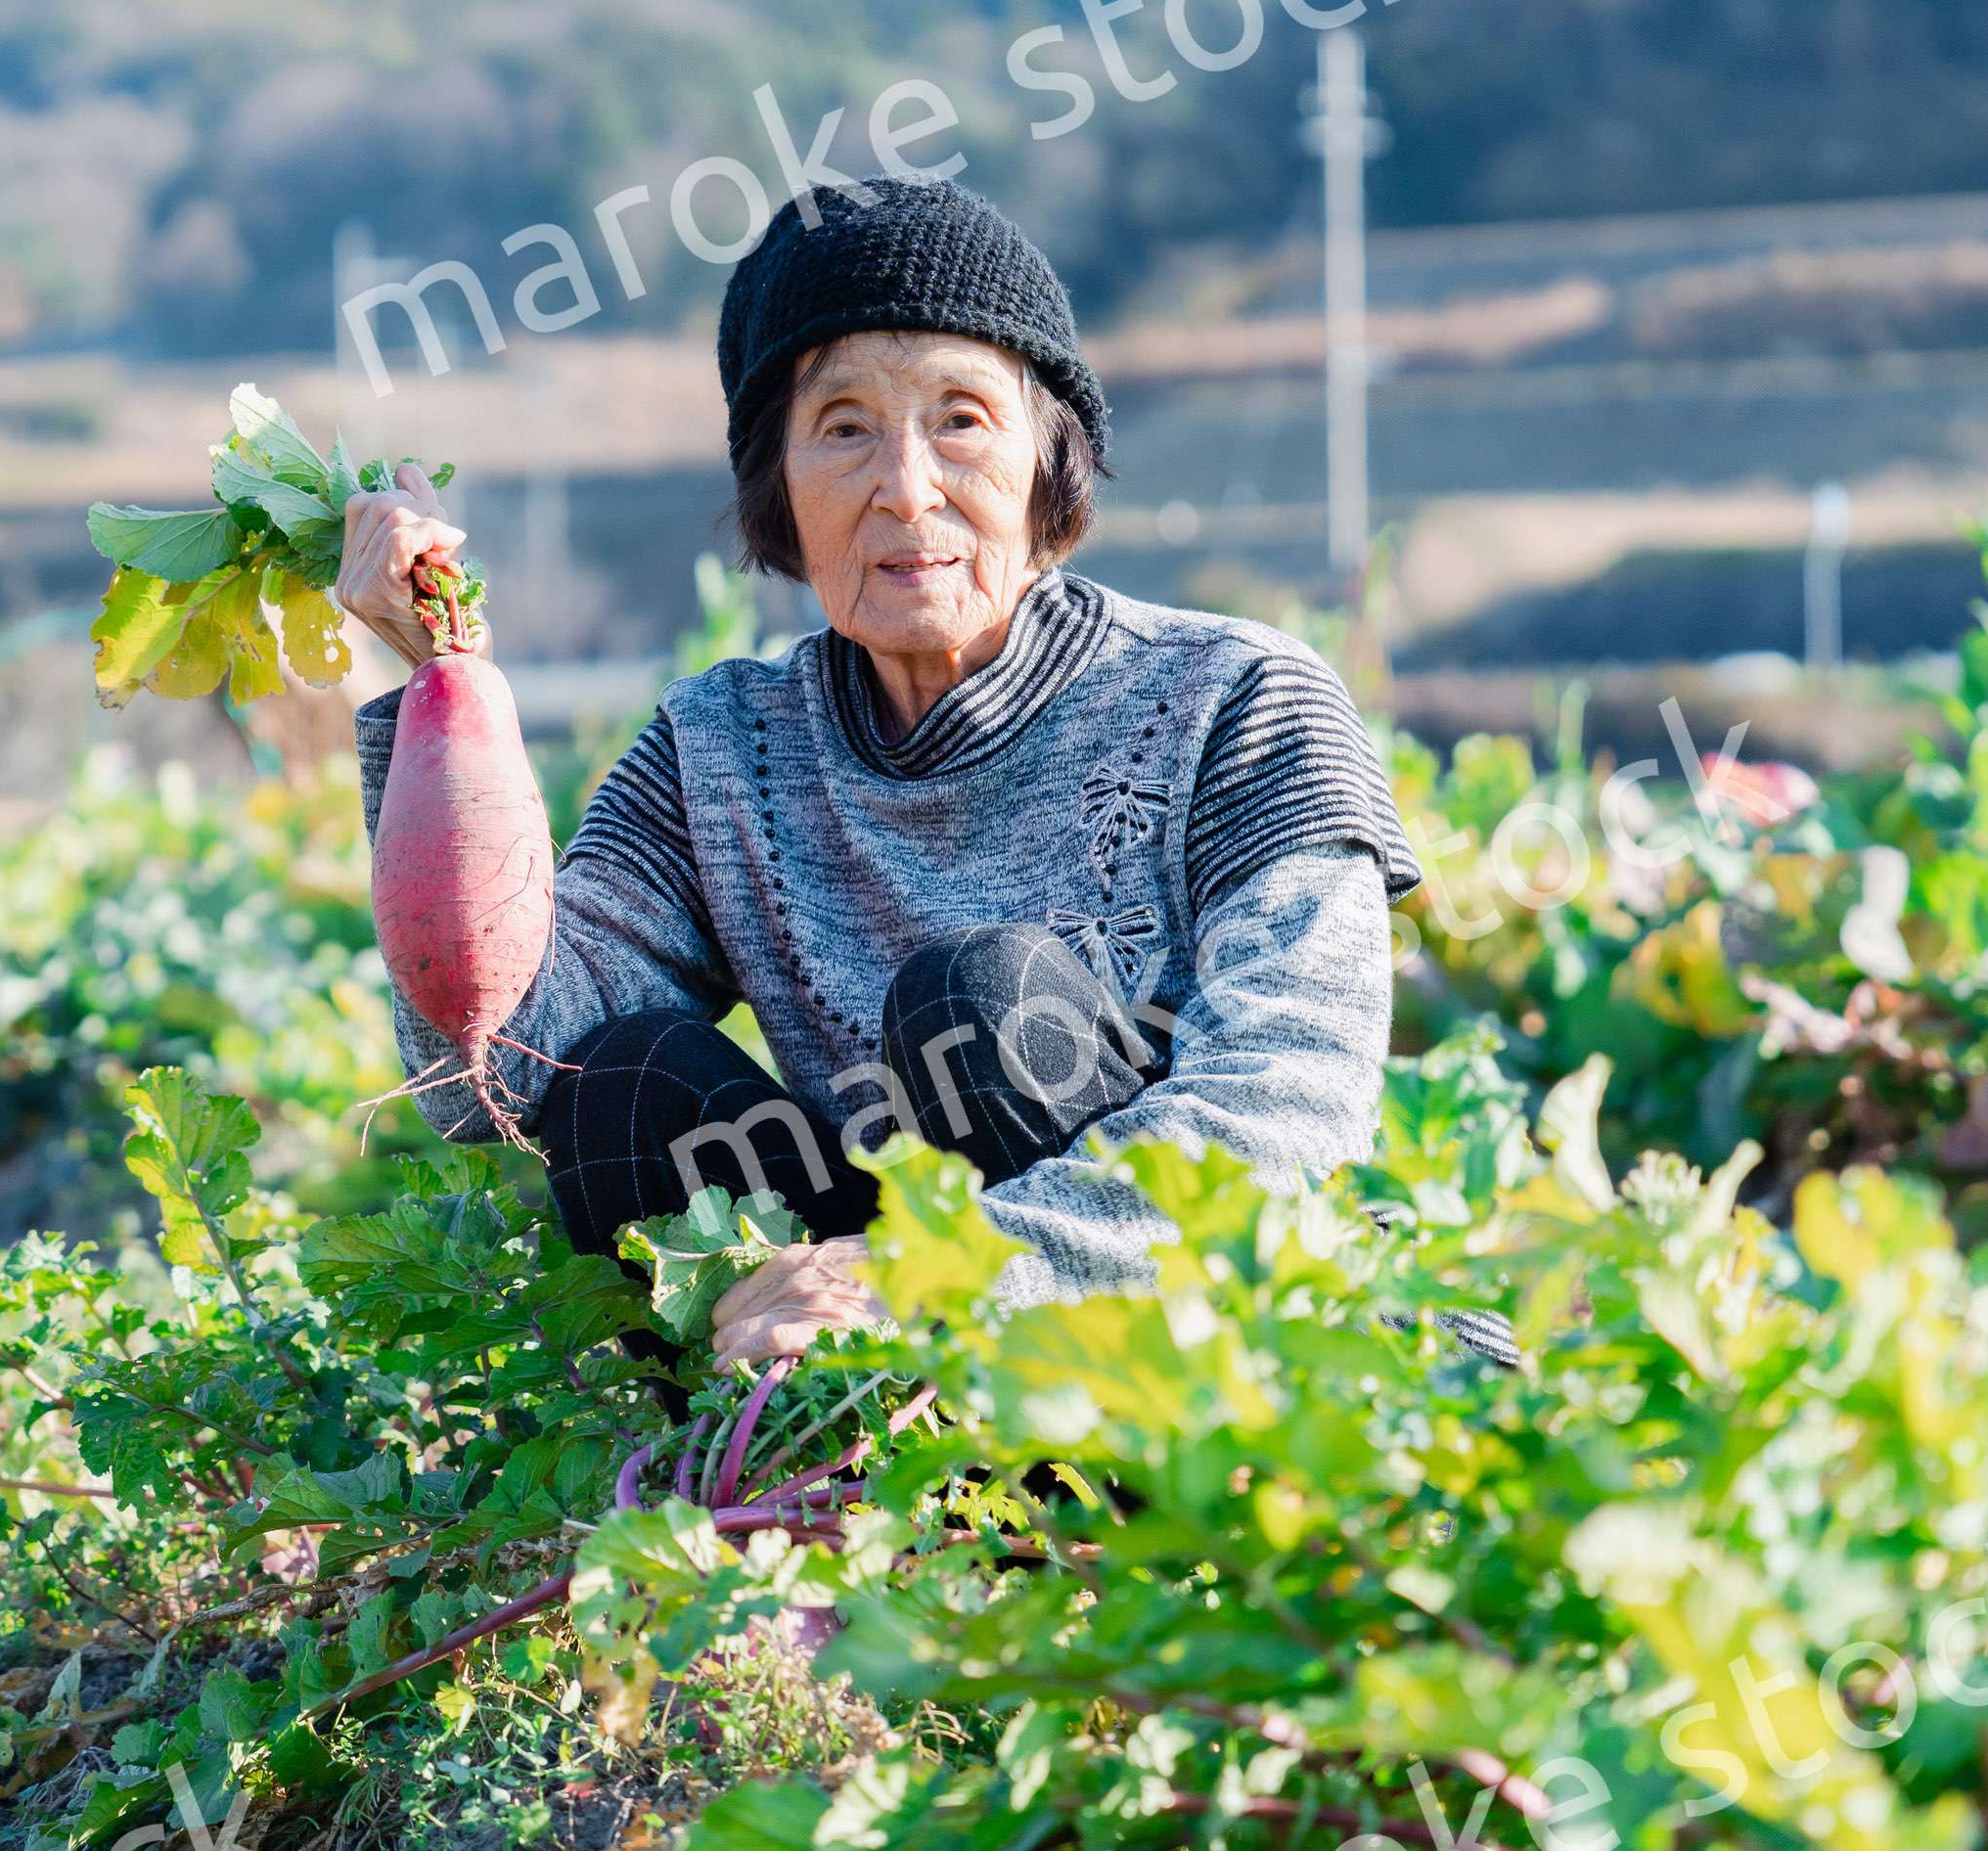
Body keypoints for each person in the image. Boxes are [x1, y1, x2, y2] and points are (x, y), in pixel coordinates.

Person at [338, 176, 1416, 1367]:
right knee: (621, 1088)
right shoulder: (720, 749)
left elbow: (1293, 1096)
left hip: (1199, 1343)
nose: (905, 486)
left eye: (960, 419)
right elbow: (495, 1068)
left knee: (985, 1003)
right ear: (779, 490)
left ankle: (1060, 1513)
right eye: (843, 427)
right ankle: (797, 1488)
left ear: (1052, 465)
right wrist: (438, 679)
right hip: (867, 1334)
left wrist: (934, 1283)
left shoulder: (1238, 697)